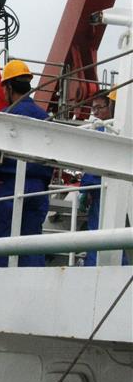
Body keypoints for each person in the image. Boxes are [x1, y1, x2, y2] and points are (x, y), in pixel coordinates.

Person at [0, 60, 53, 267]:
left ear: (9, 87)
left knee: (2, 244)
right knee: (32, 243)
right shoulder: (45, 117)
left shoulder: (5, 116)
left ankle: (0, 282)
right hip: (38, 188)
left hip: (9, 185)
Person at [79, 90, 115, 266]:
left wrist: (85, 189)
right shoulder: (104, 129)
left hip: (104, 192)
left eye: (99, 107)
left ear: (111, 106)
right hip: (105, 192)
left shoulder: (105, 130)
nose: (96, 113)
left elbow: (95, 167)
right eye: (93, 109)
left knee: (100, 237)